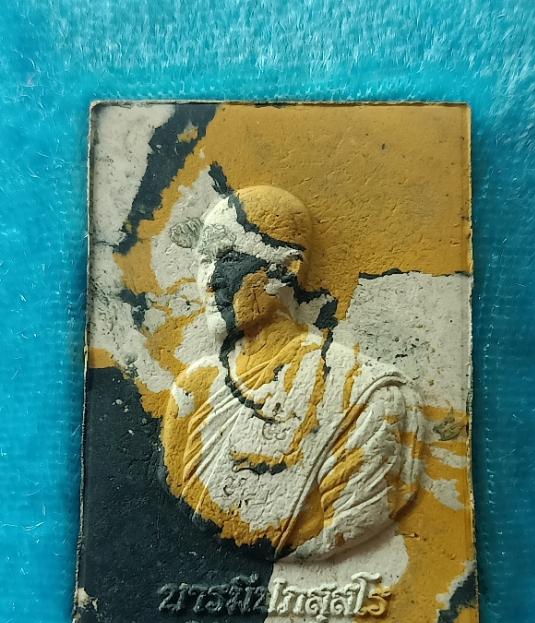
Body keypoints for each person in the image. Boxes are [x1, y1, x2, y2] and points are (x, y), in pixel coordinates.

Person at [161, 184, 423, 561]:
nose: (210, 280)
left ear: (285, 270)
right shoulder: (193, 390)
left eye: (229, 258)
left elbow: (353, 520)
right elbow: (177, 494)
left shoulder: (365, 394)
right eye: (204, 261)